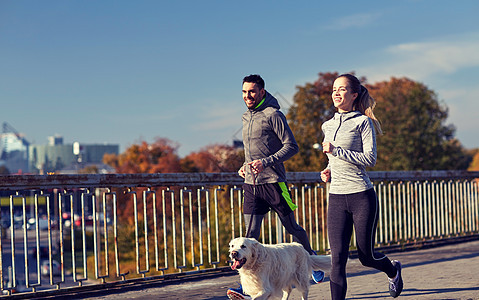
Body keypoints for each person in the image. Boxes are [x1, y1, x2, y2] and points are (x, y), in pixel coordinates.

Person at [227, 74, 325, 300]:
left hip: (274, 183)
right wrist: (245, 165)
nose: (247, 96)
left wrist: (266, 162)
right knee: (249, 237)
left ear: (261, 92)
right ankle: (246, 286)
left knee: (292, 227)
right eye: (244, 92)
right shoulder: (246, 117)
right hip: (252, 185)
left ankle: (312, 261)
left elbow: (292, 147)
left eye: (251, 91)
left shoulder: (274, 115)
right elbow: (252, 151)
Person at [321, 73, 403, 299]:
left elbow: (370, 159)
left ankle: (392, 270)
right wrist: (329, 169)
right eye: (334, 89)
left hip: (361, 196)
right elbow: (334, 159)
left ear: (354, 95)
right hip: (336, 197)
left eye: (342, 89)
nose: (336, 93)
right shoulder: (327, 125)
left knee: (366, 256)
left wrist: (336, 151)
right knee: (337, 258)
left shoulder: (363, 122)